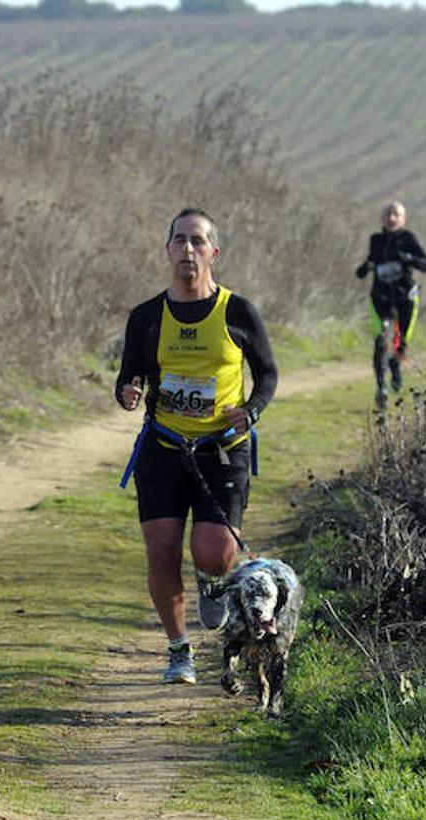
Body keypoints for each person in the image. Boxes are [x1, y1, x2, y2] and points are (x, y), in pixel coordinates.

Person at [116, 209, 278, 684]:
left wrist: (248, 411)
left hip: (223, 448)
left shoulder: (239, 311)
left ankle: (211, 584)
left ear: (213, 252)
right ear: (168, 250)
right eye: (180, 241)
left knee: (213, 550)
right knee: (162, 551)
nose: (188, 250)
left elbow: (267, 374)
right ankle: (178, 650)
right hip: (164, 446)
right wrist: (128, 393)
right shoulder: (146, 316)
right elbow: (129, 375)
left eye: (198, 242)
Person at [355, 201, 426, 408]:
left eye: (395, 215)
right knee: (381, 340)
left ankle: (395, 363)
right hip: (380, 299)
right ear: (382, 219)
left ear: (403, 219)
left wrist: (408, 258)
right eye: (388, 214)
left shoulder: (408, 239)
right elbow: (365, 267)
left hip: (405, 297)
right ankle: (381, 387)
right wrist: (364, 268)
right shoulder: (376, 240)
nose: (391, 218)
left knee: (401, 342)